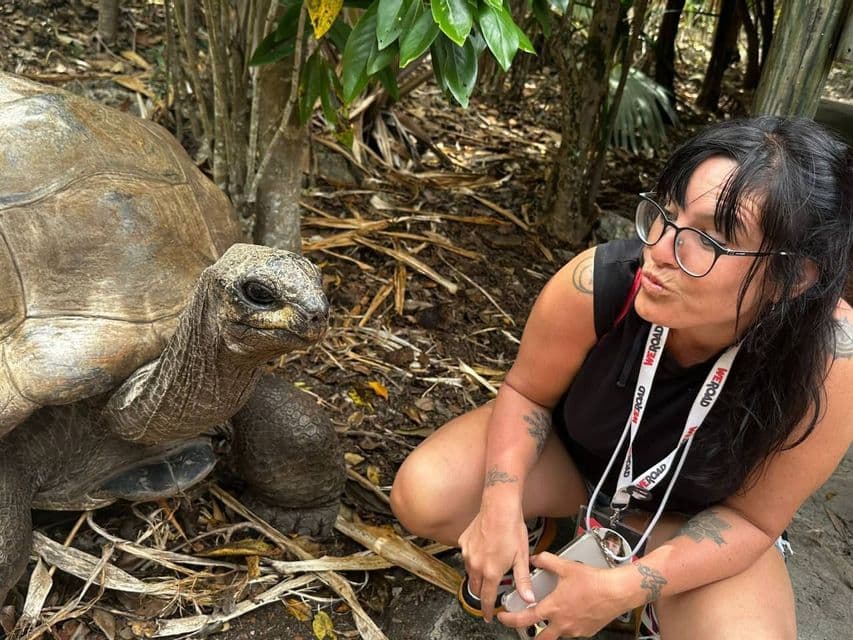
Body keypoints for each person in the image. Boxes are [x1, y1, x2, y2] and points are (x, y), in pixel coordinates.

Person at [390, 116, 853, 639]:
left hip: (694, 522)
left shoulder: (833, 361)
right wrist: (501, 503)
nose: (658, 250)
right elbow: (525, 394)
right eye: (667, 212)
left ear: (793, 278)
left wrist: (625, 589)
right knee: (425, 494)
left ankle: (659, 604)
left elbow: (754, 521)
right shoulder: (599, 283)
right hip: (576, 472)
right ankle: (544, 529)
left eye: (708, 238)